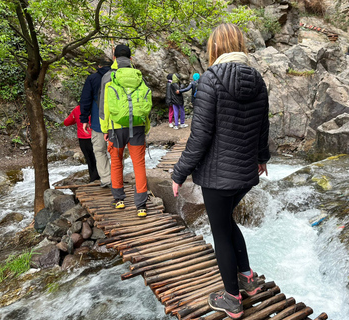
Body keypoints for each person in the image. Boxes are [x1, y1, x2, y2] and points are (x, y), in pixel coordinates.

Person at [171, 23, 270, 319]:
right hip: (245, 174)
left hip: (218, 176)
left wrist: (178, 173)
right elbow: (263, 127)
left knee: (220, 232)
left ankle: (231, 299)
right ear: (240, 44)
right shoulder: (258, 79)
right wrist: (262, 158)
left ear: (215, 47)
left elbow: (200, 136)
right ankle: (247, 279)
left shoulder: (211, 80)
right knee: (227, 222)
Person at [100, 44, 151, 217]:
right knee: (139, 164)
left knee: (116, 162)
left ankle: (120, 199)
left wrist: (104, 128)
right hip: (137, 126)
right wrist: (146, 126)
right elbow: (145, 105)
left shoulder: (108, 76)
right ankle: (141, 206)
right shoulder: (139, 76)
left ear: (114, 58)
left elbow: (104, 106)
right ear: (131, 59)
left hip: (116, 127)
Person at [79, 58, 112, 188]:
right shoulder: (117, 76)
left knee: (99, 150)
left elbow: (85, 100)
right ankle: (117, 176)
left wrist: (84, 119)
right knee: (116, 150)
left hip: (98, 122)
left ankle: (106, 178)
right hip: (116, 122)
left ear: (99, 66)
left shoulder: (92, 79)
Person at [64, 105, 99, 182]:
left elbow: (66, 122)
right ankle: (99, 178)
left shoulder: (77, 109)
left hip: (83, 139)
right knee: (98, 158)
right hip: (95, 136)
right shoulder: (95, 107)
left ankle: (93, 179)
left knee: (89, 160)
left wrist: (76, 119)